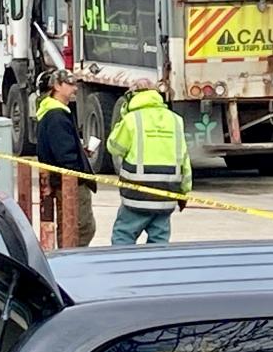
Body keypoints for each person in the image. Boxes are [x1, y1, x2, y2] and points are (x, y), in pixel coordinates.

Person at [106, 85, 192, 245]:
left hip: (137, 194)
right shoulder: (175, 120)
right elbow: (184, 159)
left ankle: (121, 268)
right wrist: (184, 192)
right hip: (166, 194)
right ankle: (154, 269)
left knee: (123, 236)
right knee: (159, 241)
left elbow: (113, 146)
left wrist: (123, 117)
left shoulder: (132, 119)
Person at [34, 69, 97, 247]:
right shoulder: (57, 116)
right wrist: (75, 177)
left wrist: (80, 153)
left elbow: (60, 147)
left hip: (63, 180)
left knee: (73, 226)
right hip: (70, 182)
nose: (74, 89)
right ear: (56, 86)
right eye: (69, 84)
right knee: (80, 227)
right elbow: (64, 153)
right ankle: (72, 260)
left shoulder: (54, 112)